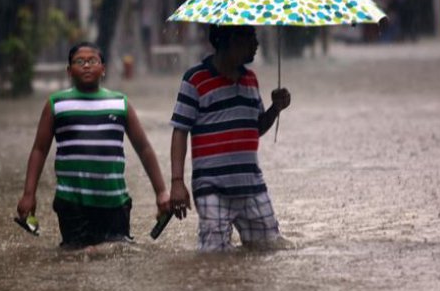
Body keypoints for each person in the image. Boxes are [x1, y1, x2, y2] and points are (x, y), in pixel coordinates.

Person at [16, 42, 171, 249]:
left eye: (92, 61)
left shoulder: (120, 104)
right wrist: (29, 194)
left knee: (117, 255)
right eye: (80, 62)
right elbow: (39, 150)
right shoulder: (56, 104)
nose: (86, 65)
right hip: (72, 202)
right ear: (69, 71)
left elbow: (144, 148)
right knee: (75, 258)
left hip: (114, 202)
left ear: (103, 68)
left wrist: (161, 192)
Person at [168, 25, 294, 252]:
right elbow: (180, 131)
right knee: (213, 256)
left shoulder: (251, 80)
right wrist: (177, 182)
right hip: (211, 187)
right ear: (228, 40)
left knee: (271, 249)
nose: (256, 45)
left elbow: (255, 128)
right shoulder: (195, 79)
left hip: (251, 185)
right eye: (250, 38)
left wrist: (275, 108)